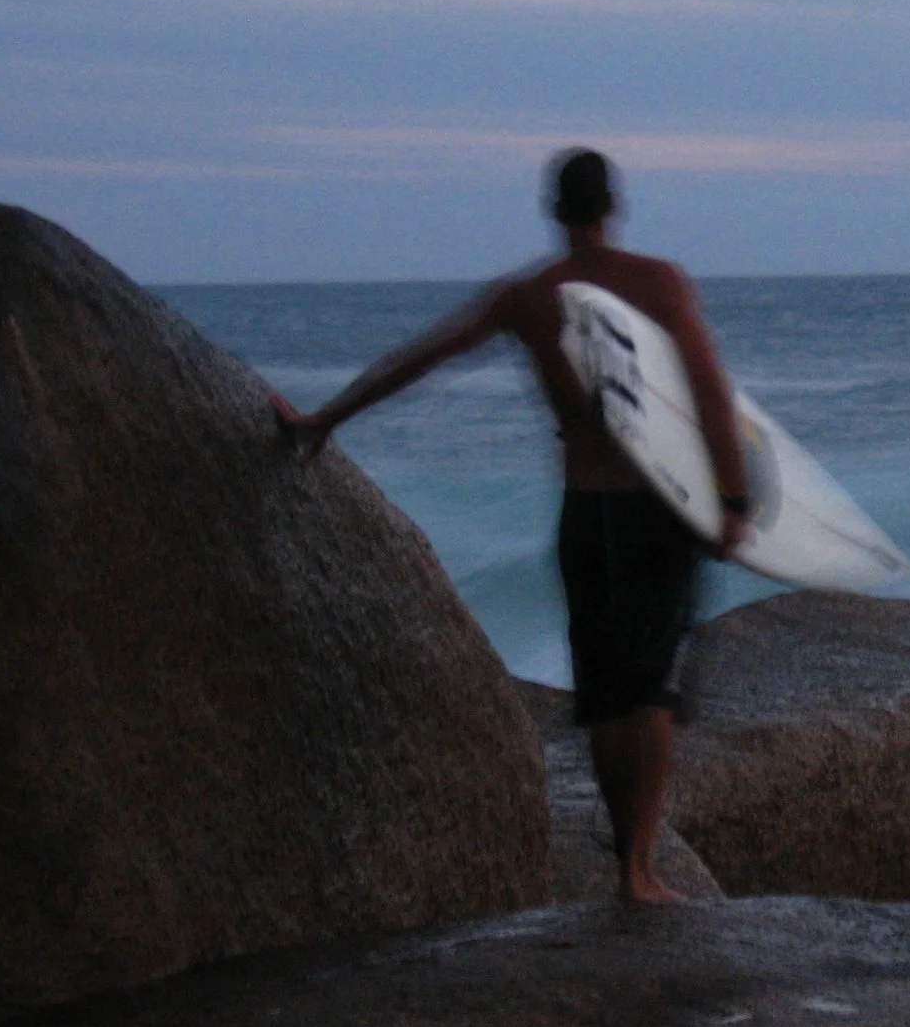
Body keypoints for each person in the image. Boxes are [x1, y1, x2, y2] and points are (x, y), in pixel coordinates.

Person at [274, 149, 751, 905]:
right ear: (613, 204)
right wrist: (734, 500)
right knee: (650, 689)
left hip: (585, 507)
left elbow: (420, 358)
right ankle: (646, 870)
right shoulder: (658, 282)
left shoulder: (527, 297)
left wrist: (326, 418)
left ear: (554, 210)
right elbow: (711, 394)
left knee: (601, 690)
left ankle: (627, 865)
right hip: (655, 506)